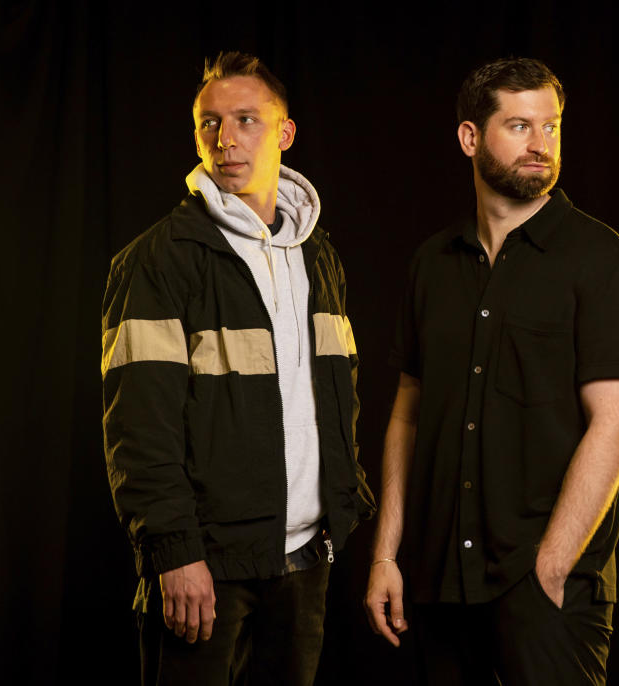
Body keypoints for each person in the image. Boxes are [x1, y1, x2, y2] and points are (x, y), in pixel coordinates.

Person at [364, 57, 619, 685]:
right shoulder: (431, 265)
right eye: (520, 127)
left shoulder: (600, 260)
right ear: (471, 138)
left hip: (543, 590)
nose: (541, 145)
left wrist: (550, 569)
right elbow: (407, 415)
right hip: (439, 588)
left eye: (550, 128)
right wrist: (386, 554)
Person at [101, 51, 375, 686]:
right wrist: (174, 553)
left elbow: (338, 398)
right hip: (208, 567)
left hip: (307, 559)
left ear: (284, 133)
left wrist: (344, 504)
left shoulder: (320, 257)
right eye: (209, 123)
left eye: (246, 119)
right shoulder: (158, 259)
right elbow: (140, 428)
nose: (225, 140)